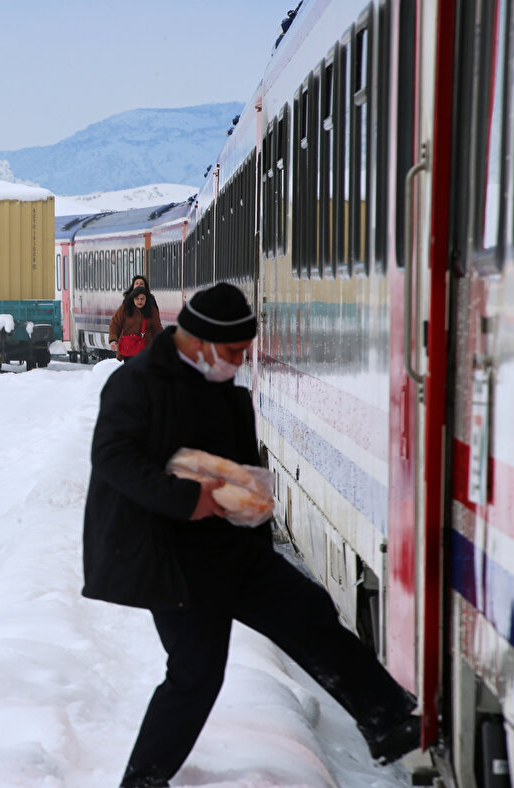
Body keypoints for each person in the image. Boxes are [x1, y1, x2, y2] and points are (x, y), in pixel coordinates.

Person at [81, 283, 420, 788]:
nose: (240, 362)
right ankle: (142, 781)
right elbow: (111, 457)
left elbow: (236, 461)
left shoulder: (222, 387)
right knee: (196, 674)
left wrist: (252, 502)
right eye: (236, 351)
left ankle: (387, 720)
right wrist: (184, 497)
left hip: (228, 545)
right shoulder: (138, 383)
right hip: (168, 555)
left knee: (308, 612)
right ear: (201, 341)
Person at [108, 286, 164, 360]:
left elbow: (157, 328)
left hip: (146, 350)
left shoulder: (152, 311)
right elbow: (115, 324)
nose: (139, 301)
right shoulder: (125, 309)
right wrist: (113, 340)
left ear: (146, 299)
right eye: (137, 299)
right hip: (129, 349)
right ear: (133, 299)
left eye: (142, 299)